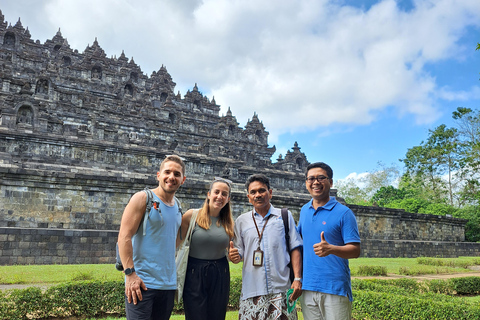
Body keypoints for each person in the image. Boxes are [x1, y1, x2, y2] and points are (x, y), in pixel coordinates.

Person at [117, 155, 186, 320]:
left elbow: (173, 243)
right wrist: (130, 274)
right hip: (142, 284)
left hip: (168, 286)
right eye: (167, 172)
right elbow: (124, 237)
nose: (171, 177)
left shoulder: (178, 206)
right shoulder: (143, 198)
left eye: (177, 174)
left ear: (183, 180)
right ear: (158, 175)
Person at [229, 173, 303, 320]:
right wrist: (234, 256)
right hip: (252, 290)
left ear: (270, 193)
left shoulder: (284, 216)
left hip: (281, 289)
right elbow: (239, 254)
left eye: (262, 190)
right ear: (248, 197)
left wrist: (298, 279)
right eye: (253, 192)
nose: (258, 195)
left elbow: (295, 248)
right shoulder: (241, 221)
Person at [297, 162, 361, 320]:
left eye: (321, 178)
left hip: (335, 288)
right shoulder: (305, 210)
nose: (315, 182)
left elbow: (355, 250)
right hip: (308, 286)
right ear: (306, 183)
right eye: (311, 178)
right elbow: (295, 241)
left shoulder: (344, 213)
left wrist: (331, 249)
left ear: (330, 182)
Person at [177, 177, 235, 320]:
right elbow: (176, 245)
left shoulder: (229, 224)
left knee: (217, 315)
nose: (219, 197)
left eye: (224, 194)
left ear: (228, 199)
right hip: (194, 272)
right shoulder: (191, 216)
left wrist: (235, 255)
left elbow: (233, 252)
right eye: (216, 192)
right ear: (209, 194)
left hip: (220, 272)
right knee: (195, 315)